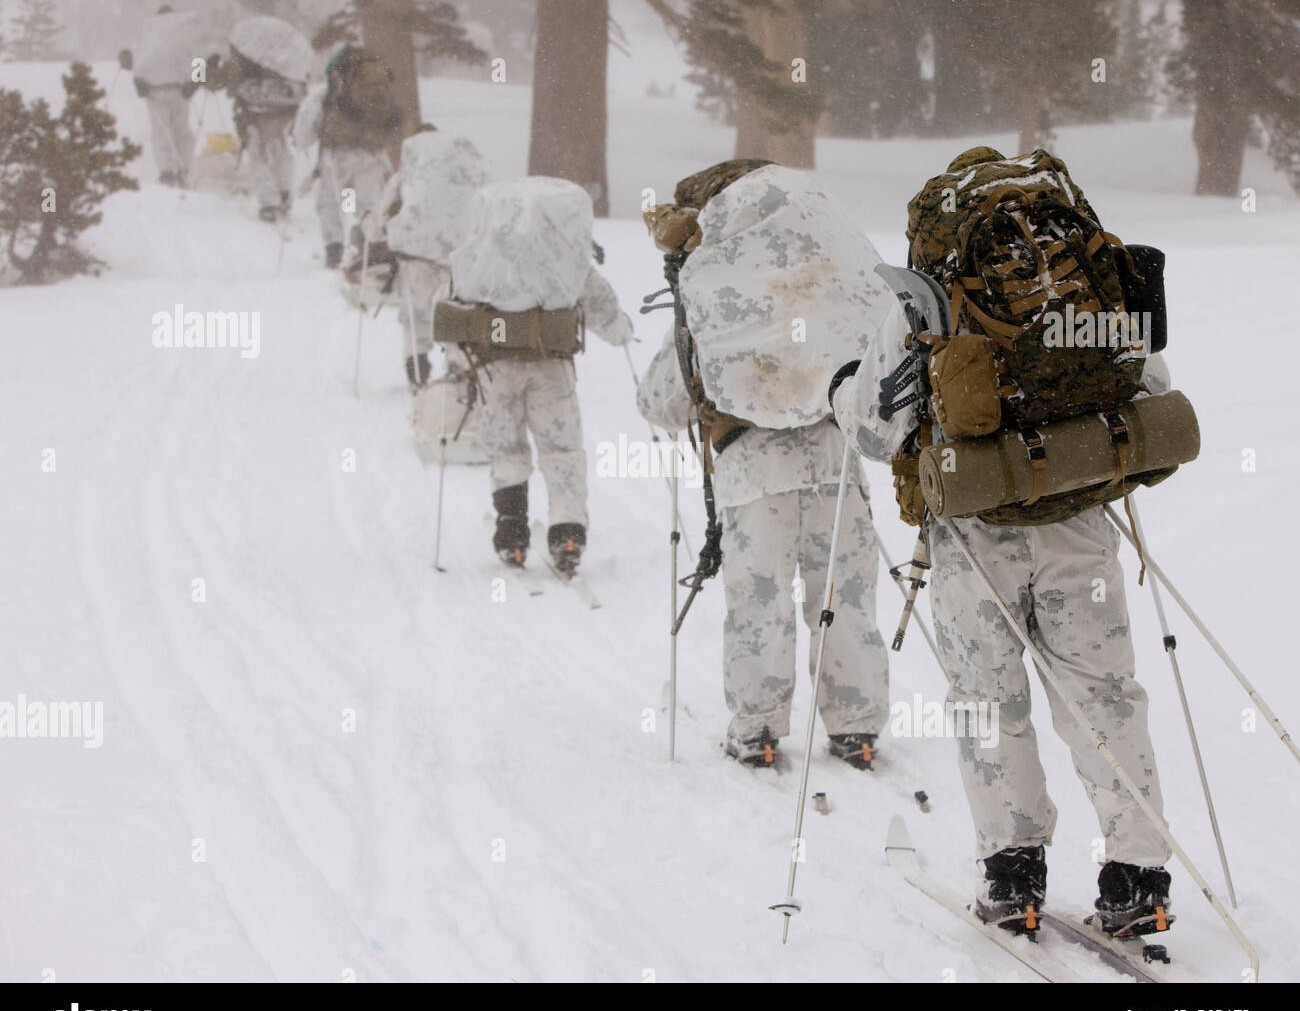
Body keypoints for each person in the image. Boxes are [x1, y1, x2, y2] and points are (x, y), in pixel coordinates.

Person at [829, 146, 1175, 936]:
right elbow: (1146, 386)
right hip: (1078, 515)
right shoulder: (1089, 275)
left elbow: (878, 433)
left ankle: (1013, 870)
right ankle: (1137, 876)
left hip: (974, 533)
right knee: (1104, 695)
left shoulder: (929, 294)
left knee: (990, 704)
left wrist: (841, 388)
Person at [636, 160, 891, 770]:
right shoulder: (826, 290)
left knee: (761, 601)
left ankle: (757, 729)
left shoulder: (714, 304)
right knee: (845, 595)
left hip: (753, 474)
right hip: (836, 463)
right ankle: (855, 726)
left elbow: (662, 404)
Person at [447, 176, 633, 575]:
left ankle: (512, 534)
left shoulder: (479, 257)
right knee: (561, 448)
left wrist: (456, 359)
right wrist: (621, 332)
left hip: (493, 367)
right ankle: (567, 533)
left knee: (506, 448)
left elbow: (447, 309)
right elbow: (601, 305)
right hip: (551, 364)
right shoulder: (561, 259)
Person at [370, 124, 487, 387]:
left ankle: (417, 367)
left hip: (415, 260)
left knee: (416, 317)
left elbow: (382, 217)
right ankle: (458, 369)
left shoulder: (407, 178)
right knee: (455, 315)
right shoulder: (466, 178)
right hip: (457, 263)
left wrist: (381, 238)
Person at [207, 15, 312, 224]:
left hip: (254, 114)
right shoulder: (284, 60)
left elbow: (215, 82)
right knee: (279, 148)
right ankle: (284, 194)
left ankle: (269, 203)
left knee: (257, 155)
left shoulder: (243, 56)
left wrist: (205, 67)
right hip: (282, 112)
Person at [316, 44, 404, 274]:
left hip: (340, 154)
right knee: (367, 202)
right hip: (372, 152)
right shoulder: (379, 85)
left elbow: (311, 124)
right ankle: (371, 244)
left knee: (331, 200)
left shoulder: (333, 91)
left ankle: (334, 248)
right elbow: (394, 126)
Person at [119, 6, 203, 188]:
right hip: (179, 90)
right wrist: (195, 83)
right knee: (182, 130)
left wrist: (138, 79)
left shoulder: (150, 35)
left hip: (154, 90)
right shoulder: (183, 34)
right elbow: (196, 56)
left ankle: (167, 172)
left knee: (161, 131)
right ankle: (184, 169)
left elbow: (136, 61)